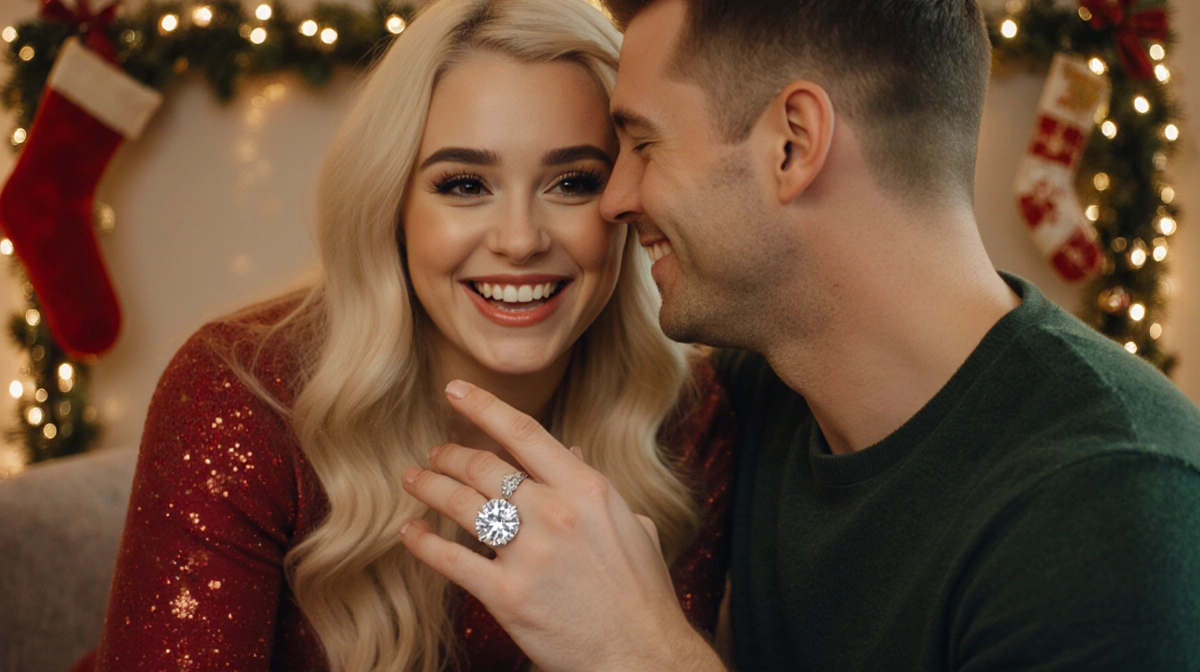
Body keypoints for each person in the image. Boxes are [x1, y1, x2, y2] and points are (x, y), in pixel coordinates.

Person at [397, 0, 1200, 669]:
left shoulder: (1114, 512)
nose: (614, 200)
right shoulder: (755, 398)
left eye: (641, 144)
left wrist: (641, 652)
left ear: (794, 144)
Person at [85, 0, 735, 670]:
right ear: (392, 204)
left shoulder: (685, 415)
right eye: (463, 185)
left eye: (571, 182)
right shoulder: (242, 393)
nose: (520, 240)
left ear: (624, 202)